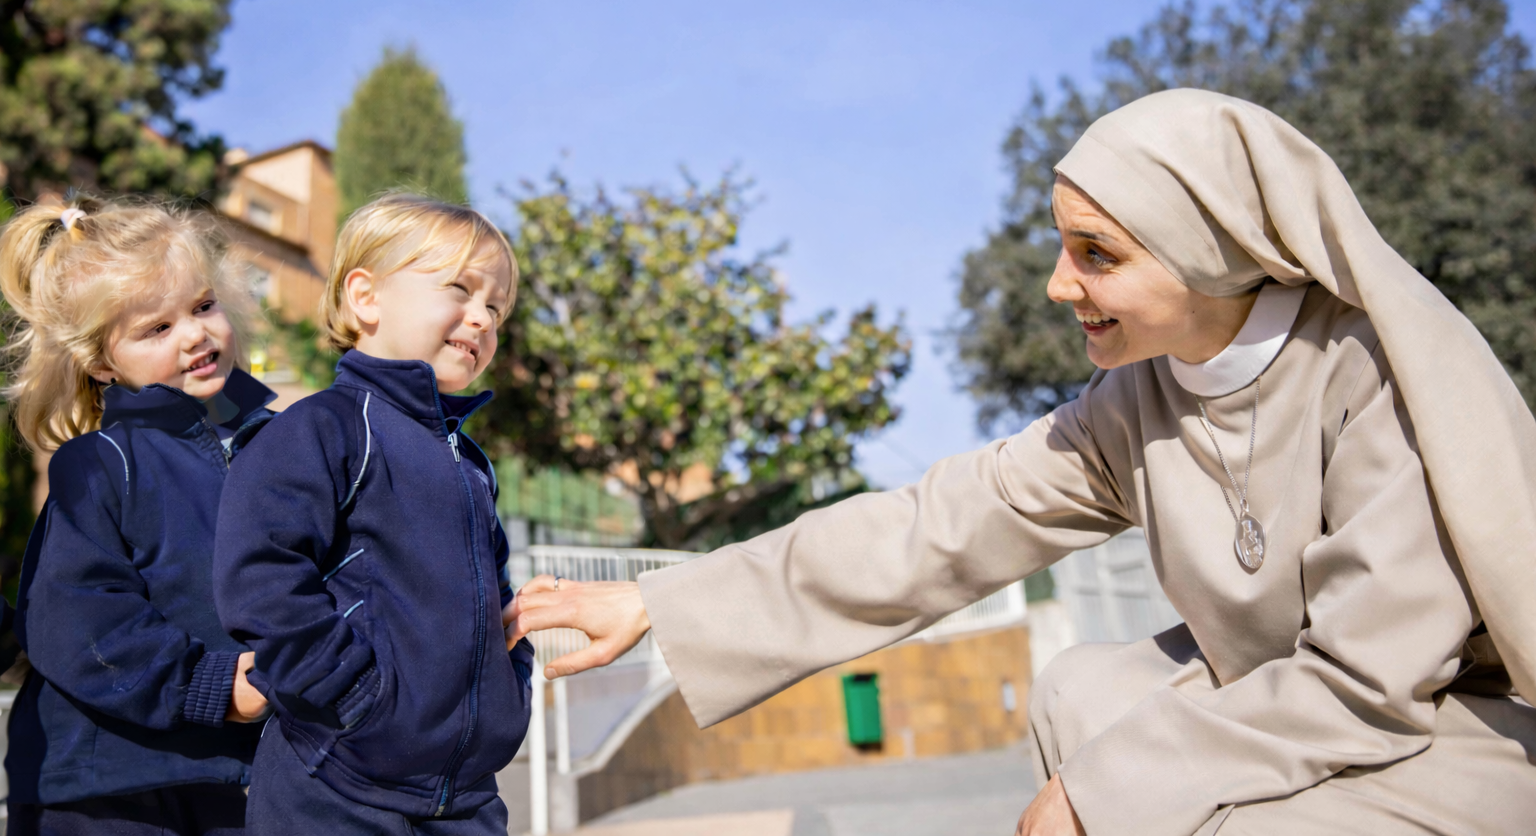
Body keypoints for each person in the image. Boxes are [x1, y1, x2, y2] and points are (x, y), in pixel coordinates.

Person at [504, 89, 1536, 835]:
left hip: (1442, 734)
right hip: (1276, 707)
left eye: (1098, 254)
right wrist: (663, 604)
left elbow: (1369, 684)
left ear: (1207, 250)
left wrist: (1107, 791)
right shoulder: (1138, 400)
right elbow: (938, 522)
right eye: (1060, 246)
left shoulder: (1376, 377)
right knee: (1080, 692)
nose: (1057, 284)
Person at [213, 194, 535, 835]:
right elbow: (261, 578)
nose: (482, 319)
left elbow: (490, 592)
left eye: (495, 307)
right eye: (460, 290)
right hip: (336, 785)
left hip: (464, 797)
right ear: (366, 298)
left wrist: (510, 680)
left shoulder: (470, 462)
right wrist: (355, 701)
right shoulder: (322, 428)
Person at [1, 199, 276, 835]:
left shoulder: (285, 450)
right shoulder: (100, 464)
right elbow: (74, 619)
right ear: (101, 362)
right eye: (156, 329)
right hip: (109, 789)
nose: (194, 334)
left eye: (203, 306)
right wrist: (207, 685)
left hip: (245, 778)